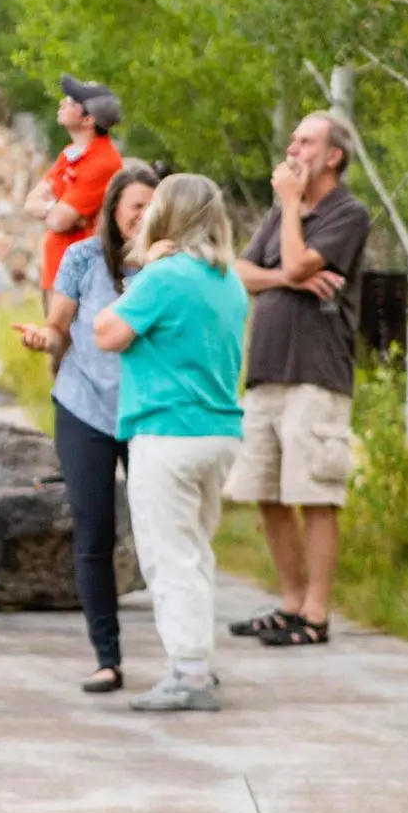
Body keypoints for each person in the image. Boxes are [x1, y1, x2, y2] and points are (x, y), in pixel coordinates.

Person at [92, 174, 249, 712]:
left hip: (167, 432)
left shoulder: (164, 277)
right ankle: (197, 659)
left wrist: (144, 270)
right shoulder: (227, 280)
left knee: (168, 556)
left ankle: (188, 672)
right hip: (218, 432)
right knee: (196, 551)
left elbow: (107, 332)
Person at [14, 164, 161, 692]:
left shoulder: (170, 268)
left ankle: (184, 656)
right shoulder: (82, 258)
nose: (143, 215)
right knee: (93, 531)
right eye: (136, 206)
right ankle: (107, 657)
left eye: (153, 206)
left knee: (160, 531)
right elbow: (60, 330)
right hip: (84, 406)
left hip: (148, 412)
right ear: (114, 210)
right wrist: (44, 339)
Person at [227, 113, 371, 648]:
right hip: (266, 371)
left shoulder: (347, 213)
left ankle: (315, 613)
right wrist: (287, 278)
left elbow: (294, 260)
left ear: (333, 156)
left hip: (316, 373)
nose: (293, 149)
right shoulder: (279, 211)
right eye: (293, 140)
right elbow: (241, 272)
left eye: (306, 142)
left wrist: (290, 207)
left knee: (314, 493)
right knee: (264, 491)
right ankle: (289, 602)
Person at [26, 75, 126, 290]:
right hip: (57, 271)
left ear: (89, 120)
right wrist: (55, 208)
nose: (62, 103)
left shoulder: (103, 162)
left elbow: (58, 221)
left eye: (71, 102)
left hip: (81, 279)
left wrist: (52, 207)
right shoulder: (70, 154)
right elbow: (31, 201)